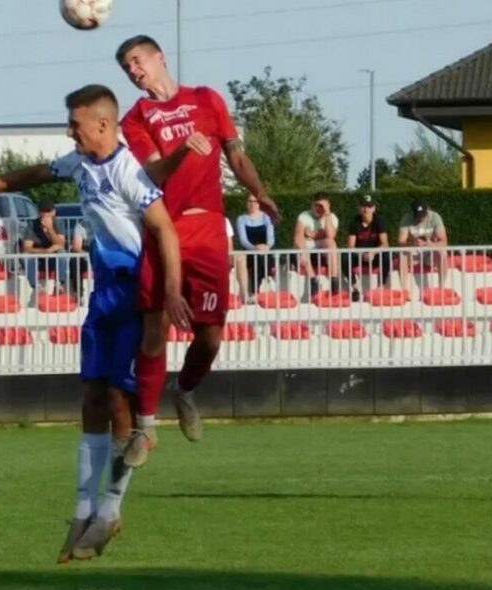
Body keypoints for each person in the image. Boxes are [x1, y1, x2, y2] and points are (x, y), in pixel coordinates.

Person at [0, 84, 200, 562]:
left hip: (133, 292)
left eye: (75, 123)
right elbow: (37, 173)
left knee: (117, 399)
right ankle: (84, 509)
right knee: (91, 395)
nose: (70, 131)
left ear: (103, 125)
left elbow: (165, 228)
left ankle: (109, 509)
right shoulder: (80, 163)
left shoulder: (128, 170)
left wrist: (170, 291)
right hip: (102, 295)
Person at [117, 35, 279, 456]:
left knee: (210, 338)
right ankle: (145, 428)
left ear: (160, 57)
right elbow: (153, 173)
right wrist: (184, 152)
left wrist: (259, 192)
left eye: (137, 61)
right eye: (127, 68)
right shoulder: (136, 118)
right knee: (155, 332)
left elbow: (236, 156)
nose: (134, 71)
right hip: (163, 227)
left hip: (206, 231)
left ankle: (185, 390)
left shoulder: (207, 99)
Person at [293, 192, 342, 298]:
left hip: (322, 250)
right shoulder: (304, 215)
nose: (318, 208)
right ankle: (313, 280)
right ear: (312, 205)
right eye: (316, 205)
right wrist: (303, 251)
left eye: (322, 206)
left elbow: (330, 235)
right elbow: (298, 236)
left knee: (331, 242)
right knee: (302, 246)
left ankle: (334, 281)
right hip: (308, 249)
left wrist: (327, 214)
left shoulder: (332, 217)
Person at [19, 200, 70, 299]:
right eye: (43, 211)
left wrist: (50, 229)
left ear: (53, 212)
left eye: (48, 211)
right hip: (38, 259)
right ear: (39, 212)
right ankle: (36, 286)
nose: (45, 214)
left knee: (62, 253)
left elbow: (61, 244)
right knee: (26, 256)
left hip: (54, 259)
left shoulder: (58, 222)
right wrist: (46, 251)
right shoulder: (32, 224)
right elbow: (27, 247)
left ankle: (59, 284)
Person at [343, 194, 390, 302]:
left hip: (375, 256)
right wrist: (361, 254)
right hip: (359, 256)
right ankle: (355, 288)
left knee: (387, 256)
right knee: (344, 257)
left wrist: (373, 252)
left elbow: (385, 244)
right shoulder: (354, 221)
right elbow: (350, 246)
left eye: (369, 206)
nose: (366, 209)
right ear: (359, 208)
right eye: (364, 206)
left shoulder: (379, 221)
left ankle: (380, 287)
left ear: (374, 208)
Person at [397, 198, 448, 291]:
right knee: (402, 254)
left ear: (428, 210)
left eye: (423, 215)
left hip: (430, 253)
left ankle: (441, 288)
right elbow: (401, 242)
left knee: (443, 253)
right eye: (418, 216)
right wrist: (412, 243)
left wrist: (430, 245)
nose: (420, 218)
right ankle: (404, 290)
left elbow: (444, 241)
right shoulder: (406, 219)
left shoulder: (435, 217)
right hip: (414, 253)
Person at [235, 193, 276, 302]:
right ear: (247, 204)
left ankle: (256, 290)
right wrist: (255, 248)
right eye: (250, 201)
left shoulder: (266, 218)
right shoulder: (241, 219)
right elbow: (243, 240)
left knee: (261, 257)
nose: (253, 204)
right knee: (256, 258)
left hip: (265, 251)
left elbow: (271, 237)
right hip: (249, 252)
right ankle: (267, 278)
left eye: (255, 201)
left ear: (259, 204)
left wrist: (266, 247)